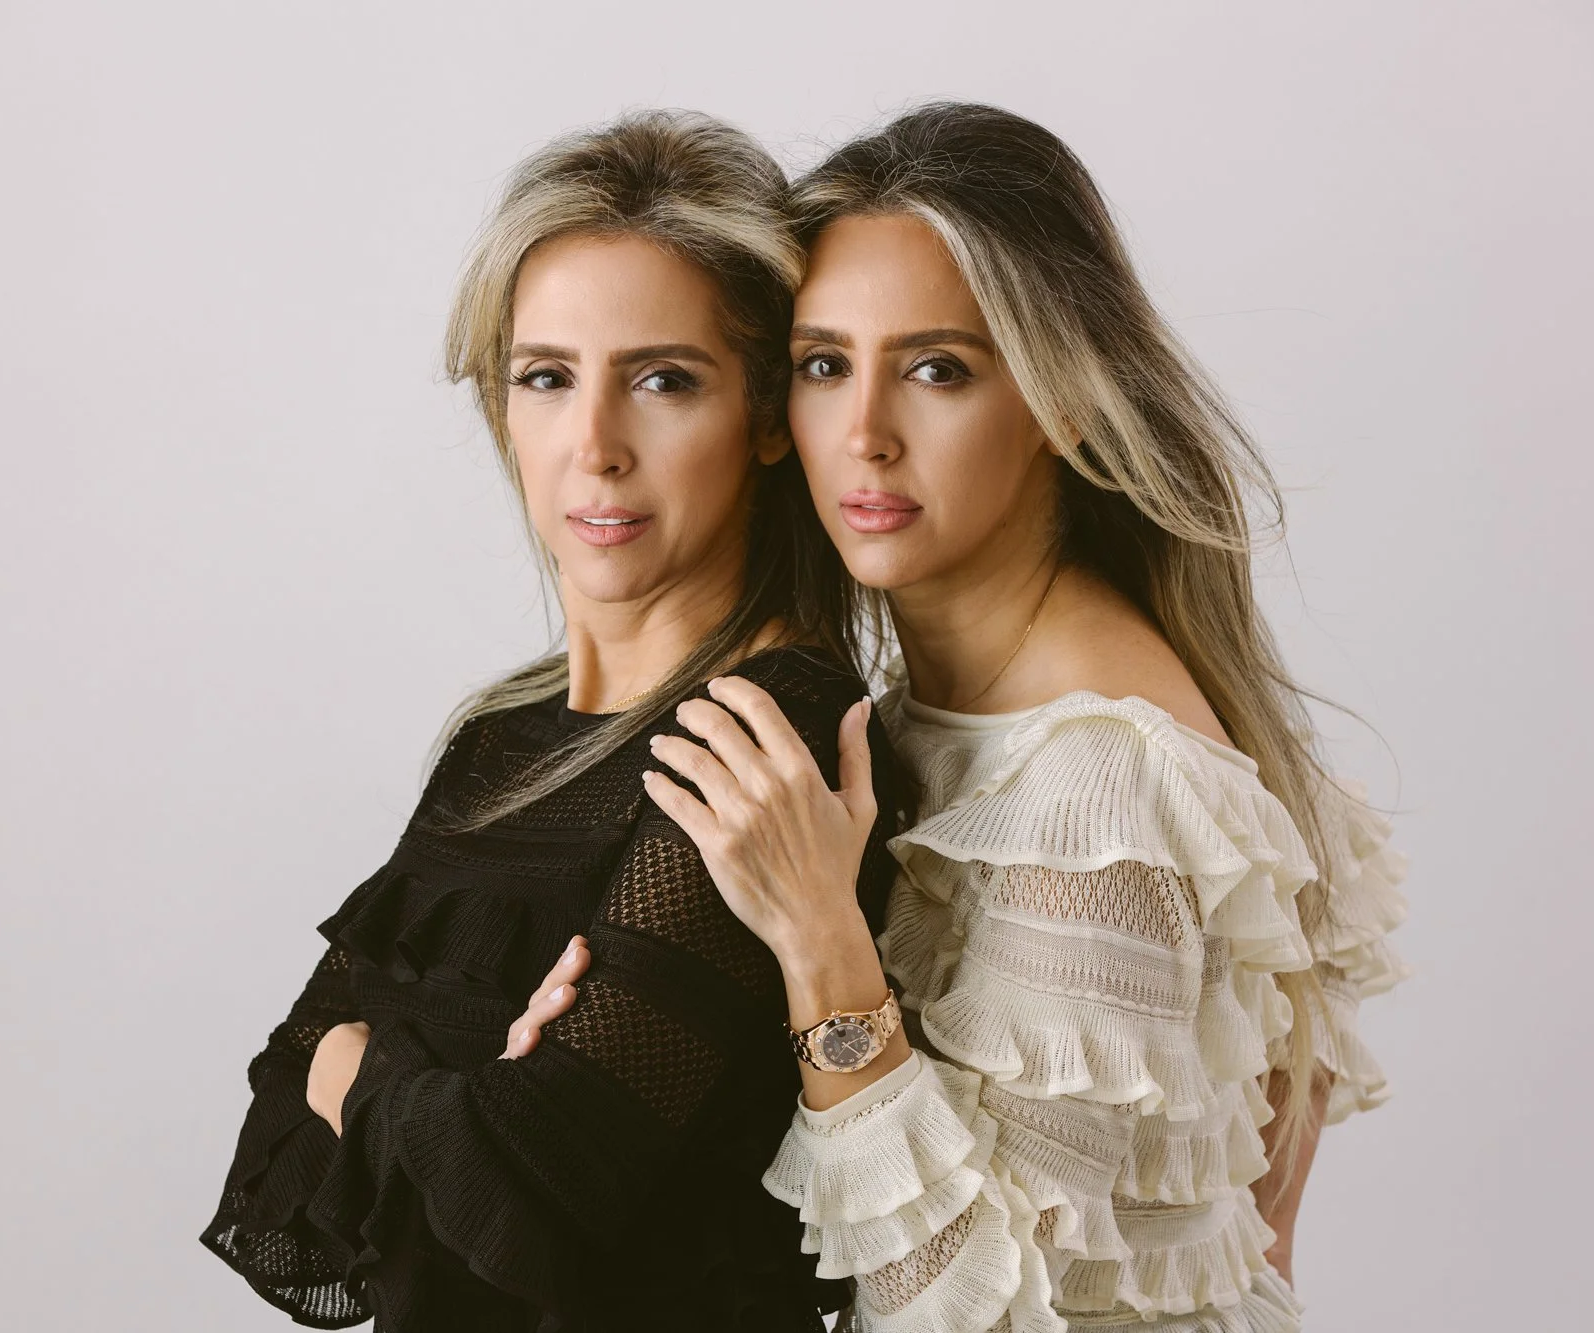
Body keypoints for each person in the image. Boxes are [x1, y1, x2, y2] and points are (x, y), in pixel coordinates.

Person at [515, 103, 1408, 1332]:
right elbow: (1254, 1244)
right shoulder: (914, 721)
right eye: (825, 364)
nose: (865, 434)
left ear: (1065, 398)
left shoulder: (1099, 789)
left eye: (937, 368)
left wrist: (822, 949)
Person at [200, 110, 909, 1333]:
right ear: (503, 410)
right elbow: (279, 1153)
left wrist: (369, 1068)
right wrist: (447, 1094)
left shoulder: (763, 727)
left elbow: (520, 1190)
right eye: (546, 378)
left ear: (758, 419)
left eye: (663, 381)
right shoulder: (501, 740)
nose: (594, 447)